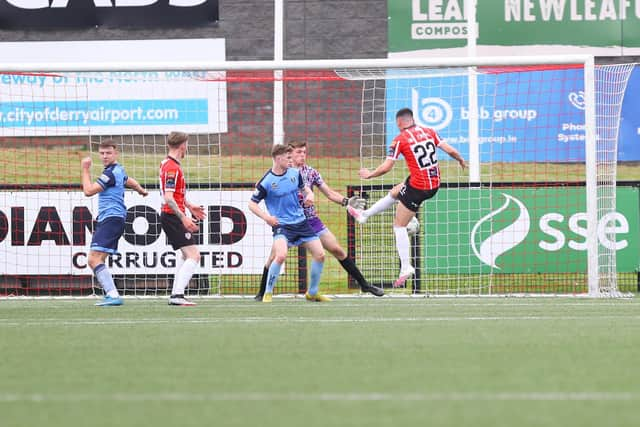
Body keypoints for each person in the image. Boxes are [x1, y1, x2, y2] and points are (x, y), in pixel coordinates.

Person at [348, 108, 466, 287]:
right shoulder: (429, 131)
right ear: (412, 119)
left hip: (419, 188)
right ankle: (365, 215)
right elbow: (449, 149)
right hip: (433, 183)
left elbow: (387, 167)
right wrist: (460, 159)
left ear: (398, 122)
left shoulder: (400, 140)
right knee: (396, 191)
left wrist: (369, 174)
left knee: (399, 225)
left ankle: (406, 266)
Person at [254, 140, 384, 300]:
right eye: (298, 152)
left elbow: (328, 193)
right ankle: (262, 292)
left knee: (337, 250)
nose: (302, 155)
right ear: (288, 154)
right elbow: (260, 194)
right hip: (287, 223)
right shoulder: (278, 174)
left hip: (310, 221)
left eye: (304, 152)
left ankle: (364, 285)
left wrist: (346, 201)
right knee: (275, 257)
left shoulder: (310, 172)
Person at [248, 144, 328, 303]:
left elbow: (305, 189)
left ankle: (312, 293)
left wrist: (310, 195)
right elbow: (252, 204)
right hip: (282, 226)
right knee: (281, 255)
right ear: (278, 159)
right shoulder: (266, 182)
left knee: (320, 255)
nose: (291, 161)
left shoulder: (294, 174)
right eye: (288, 158)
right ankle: (268, 293)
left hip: (301, 222)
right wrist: (267, 218)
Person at [81, 139, 148, 306]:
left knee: (93, 259)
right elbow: (127, 180)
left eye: (108, 153)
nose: (104, 156)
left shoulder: (109, 174)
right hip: (114, 219)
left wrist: (85, 169)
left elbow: (88, 191)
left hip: (111, 219)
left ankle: (112, 295)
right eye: (102, 153)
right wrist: (140, 189)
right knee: (98, 259)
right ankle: (112, 294)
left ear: (116, 153)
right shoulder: (118, 170)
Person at [159, 131, 206, 306]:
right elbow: (169, 198)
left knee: (186, 255)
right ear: (182, 145)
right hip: (172, 216)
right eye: (187, 144)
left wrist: (189, 206)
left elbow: (175, 194)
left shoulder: (167, 163)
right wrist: (183, 218)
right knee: (194, 255)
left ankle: (176, 293)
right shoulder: (172, 168)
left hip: (171, 215)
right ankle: (177, 295)